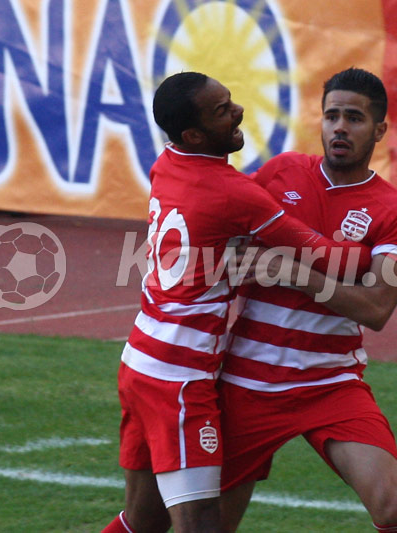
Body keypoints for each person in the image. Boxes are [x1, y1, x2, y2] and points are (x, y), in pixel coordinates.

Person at [101, 72, 373, 533]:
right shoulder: (233, 193)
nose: (238, 111)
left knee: (142, 522)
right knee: (202, 523)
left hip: (140, 360)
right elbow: (327, 257)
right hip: (179, 378)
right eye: (222, 110)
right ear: (194, 134)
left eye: (230, 101)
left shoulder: (168, 162)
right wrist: (381, 248)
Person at [218, 68, 397, 532]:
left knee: (391, 508)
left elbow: (376, 309)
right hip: (246, 383)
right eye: (332, 116)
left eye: (354, 118)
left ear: (380, 130)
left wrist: (295, 272)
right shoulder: (281, 172)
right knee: (211, 526)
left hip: (329, 383)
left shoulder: (395, 211)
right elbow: (223, 223)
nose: (340, 128)